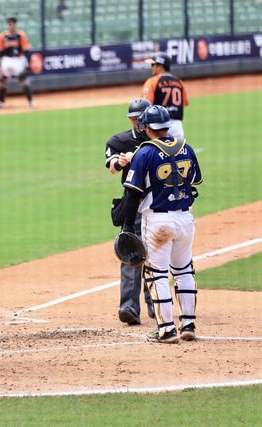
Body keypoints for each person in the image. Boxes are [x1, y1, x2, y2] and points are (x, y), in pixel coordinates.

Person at [122, 105, 203, 344]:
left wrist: (127, 227)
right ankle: (188, 324)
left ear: (147, 127)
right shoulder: (186, 147)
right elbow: (195, 179)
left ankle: (166, 329)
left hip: (158, 222)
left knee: (156, 274)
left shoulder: (144, 152)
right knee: (184, 270)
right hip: (185, 219)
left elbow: (132, 194)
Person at [105, 98, 155, 326]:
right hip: (133, 203)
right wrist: (122, 162)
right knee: (131, 252)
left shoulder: (161, 139)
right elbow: (112, 166)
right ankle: (129, 307)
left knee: (156, 255)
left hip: (158, 203)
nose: (137, 123)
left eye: (140, 118)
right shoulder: (119, 141)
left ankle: (155, 302)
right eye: (134, 119)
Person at [141, 52, 189, 141]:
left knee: (157, 150)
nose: (151, 67)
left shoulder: (152, 81)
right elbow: (184, 103)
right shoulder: (179, 82)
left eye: (153, 65)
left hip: (159, 126)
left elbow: (145, 104)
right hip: (177, 126)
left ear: (160, 66)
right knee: (178, 149)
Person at [0, 17, 34, 108]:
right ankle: (1, 102)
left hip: (18, 60)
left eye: (12, 24)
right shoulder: (3, 36)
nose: (11, 26)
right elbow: (0, 52)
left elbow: (26, 50)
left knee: (24, 81)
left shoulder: (21, 35)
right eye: (9, 24)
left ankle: (31, 102)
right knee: (2, 81)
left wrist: (28, 63)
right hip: (6, 59)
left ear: (15, 25)